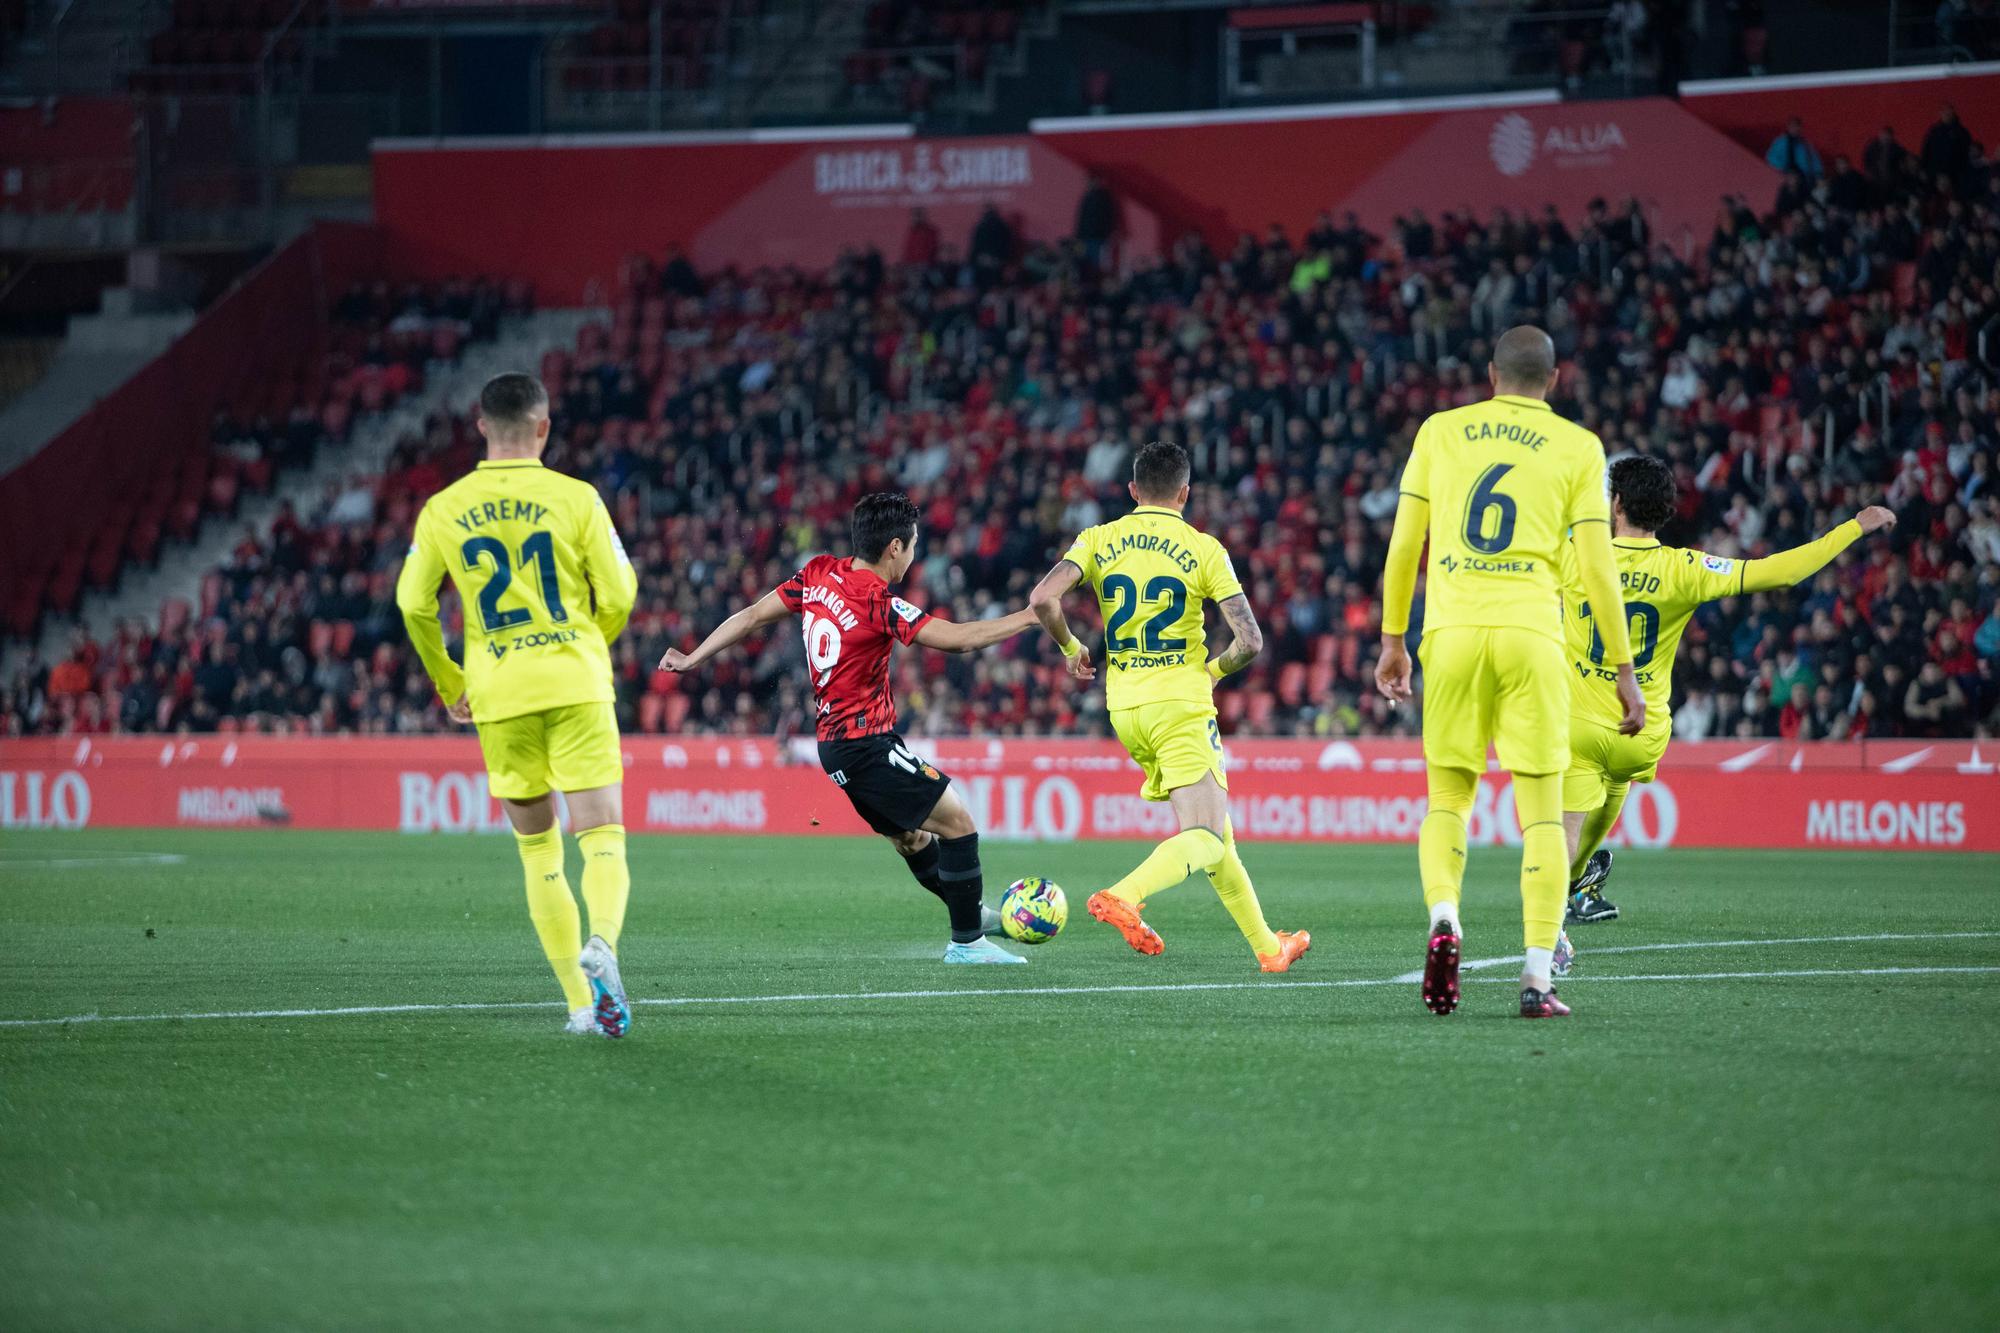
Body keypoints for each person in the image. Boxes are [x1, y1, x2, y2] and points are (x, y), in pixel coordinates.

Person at [1375, 325, 1644, 1020]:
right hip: (1533, 636)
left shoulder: (1441, 431)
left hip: (1454, 634)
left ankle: (1445, 917)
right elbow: (1598, 570)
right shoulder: (1580, 447)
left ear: (1492, 374)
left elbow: (1407, 542)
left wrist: (1393, 639)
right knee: (1544, 816)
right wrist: (1623, 670)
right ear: (1553, 380)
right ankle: (1534, 977)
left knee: (1447, 800)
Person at [661, 493, 1037, 964]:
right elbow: (957, 640)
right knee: (958, 822)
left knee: (911, 839)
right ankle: (968, 942)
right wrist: (1027, 617)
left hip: (835, 746)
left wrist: (694, 656)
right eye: (914, 545)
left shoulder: (818, 574)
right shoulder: (877, 601)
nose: (914, 555)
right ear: (895, 548)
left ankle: (969, 915)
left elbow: (753, 615)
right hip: (864, 744)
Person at [395, 372, 640, 1038]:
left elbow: (412, 603)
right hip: (575, 682)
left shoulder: (444, 507)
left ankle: (579, 1004)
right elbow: (618, 593)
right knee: (603, 838)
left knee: (539, 853)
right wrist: (589, 643)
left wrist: (452, 683)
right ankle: (606, 945)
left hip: (498, 692)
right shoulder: (577, 498)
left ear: (481, 427)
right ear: (543, 427)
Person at [1556, 454, 1896, 934]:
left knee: (1565, 834)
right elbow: (1780, 572)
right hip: (1643, 733)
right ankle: (1581, 887)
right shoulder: (1686, 567)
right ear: (1666, 511)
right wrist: (1853, 527)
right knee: (1614, 790)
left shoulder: (1575, 553)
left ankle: (1550, 936)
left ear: (1615, 504)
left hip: (1580, 725)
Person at [1027, 440, 1311, 973]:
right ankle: (1125, 895)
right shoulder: (1204, 548)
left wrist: (1071, 648)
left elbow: (1043, 597)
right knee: (1202, 834)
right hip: (1179, 703)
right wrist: (1214, 671)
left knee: (1217, 837)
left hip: (1124, 707)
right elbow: (1250, 641)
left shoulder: (1099, 538)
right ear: (1185, 492)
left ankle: (1270, 950)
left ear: (1132, 490)